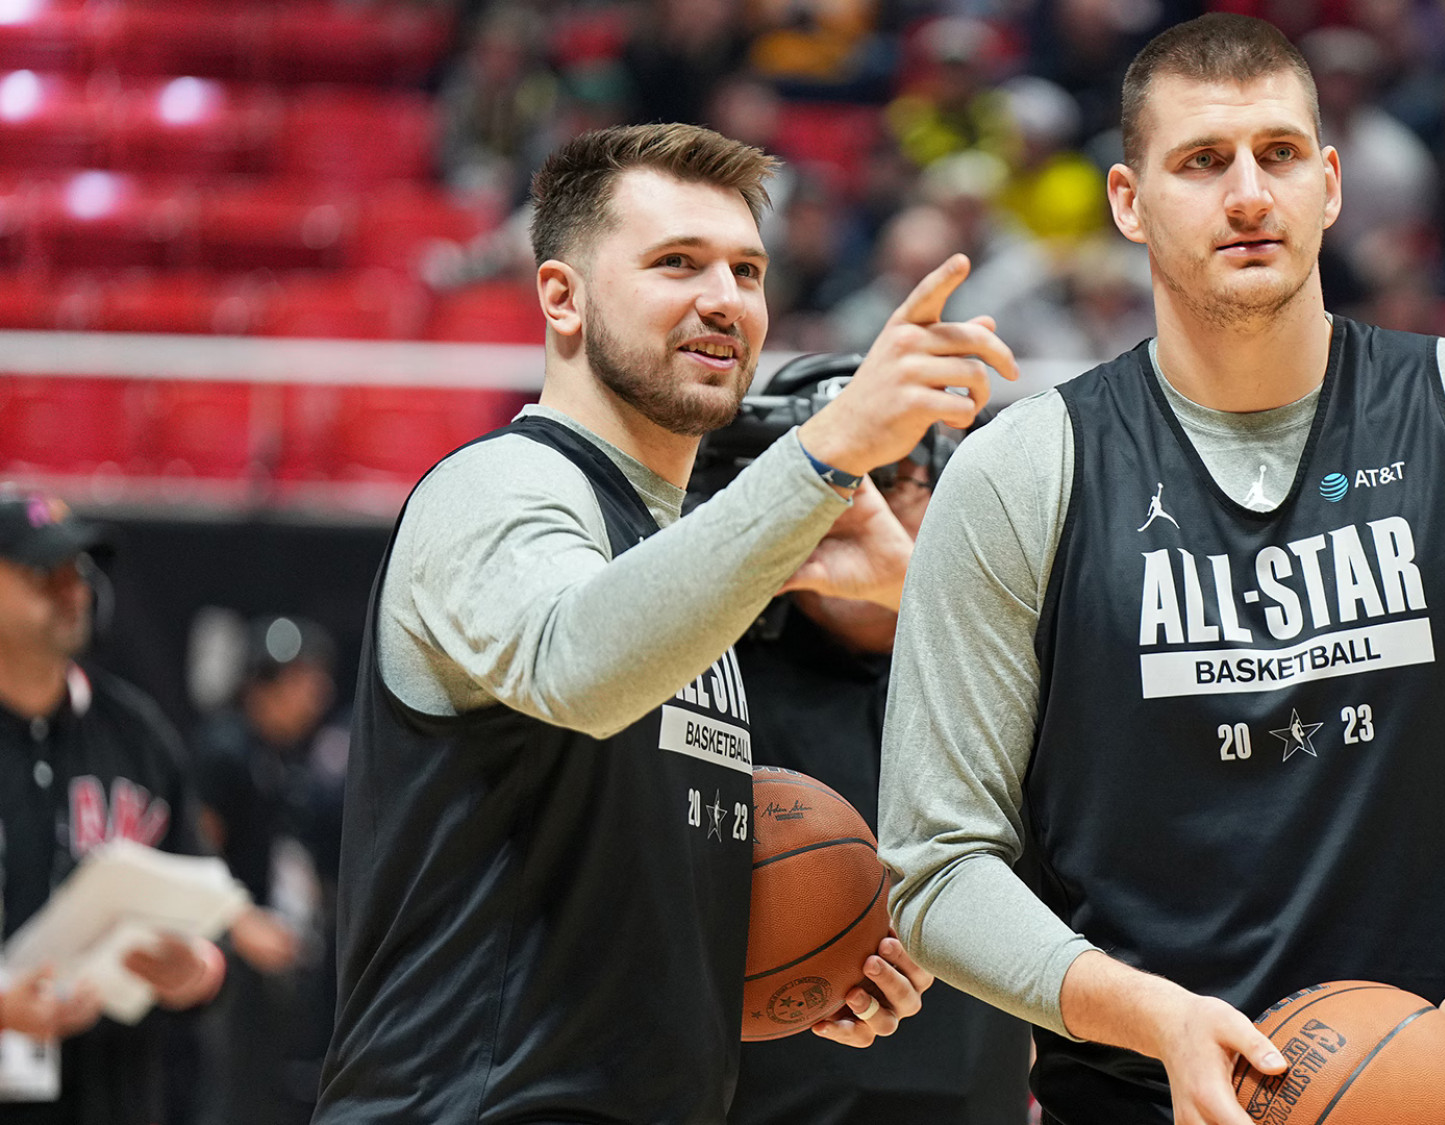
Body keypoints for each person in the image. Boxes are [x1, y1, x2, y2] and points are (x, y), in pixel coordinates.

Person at [877, 15, 1445, 1125]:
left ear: (1329, 184)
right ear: (1128, 200)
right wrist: (1147, 1015)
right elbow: (937, 864)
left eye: (1277, 154)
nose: (1247, 195)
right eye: (1200, 161)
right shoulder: (1020, 473)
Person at [312, 122, 1017, 1124]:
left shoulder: (681, 559)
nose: (723, 298)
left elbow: (604, 887)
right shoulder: (501, 487)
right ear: (562, 297)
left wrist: (806, 955)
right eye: (676, 263)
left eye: (746, 270)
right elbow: (575, 665)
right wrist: (827, 451)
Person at [727, 450, 1032, 1125]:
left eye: (889, 480)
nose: (850, 506)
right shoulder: (704, 667)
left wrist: (919, 588)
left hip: (981, 1100)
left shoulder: (1013, 669)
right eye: (824, 483)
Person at [0, 490, 227, 1123]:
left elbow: (206, 915)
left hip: (112, 1094)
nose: (72, 591)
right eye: (43, 572)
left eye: (78, 570)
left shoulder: (138, 736)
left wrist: (199, 973)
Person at [192, 615, 345, 1125]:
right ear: (262, 684)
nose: (318, 694)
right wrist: (239, 923)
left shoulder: (287, 757)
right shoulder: (225, 750)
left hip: (281, 954)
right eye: (303, 679)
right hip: (230, 955)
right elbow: (194, 850)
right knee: (231, 1096)